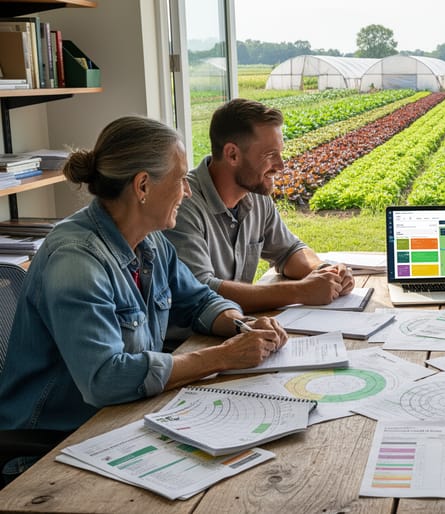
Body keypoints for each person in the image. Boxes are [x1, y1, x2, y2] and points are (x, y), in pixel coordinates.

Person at [0, 116, 288, 478]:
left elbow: (199, 300)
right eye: (180, 179)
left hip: (121, 422)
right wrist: (223, 357)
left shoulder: (150, 241)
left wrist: (242, 326)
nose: (187, 191)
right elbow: (105, 378)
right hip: (53, 448)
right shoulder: (75, 260)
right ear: (142, 186)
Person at [163, 98, 353, 316]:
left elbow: (289, 250)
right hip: (192, 341)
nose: (281, 165)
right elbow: (202, 292)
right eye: (270, 155)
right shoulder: (183, 205)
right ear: (232, 154)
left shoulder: (255, 194)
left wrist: (323, 272)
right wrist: (300, 291)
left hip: (237, 328)